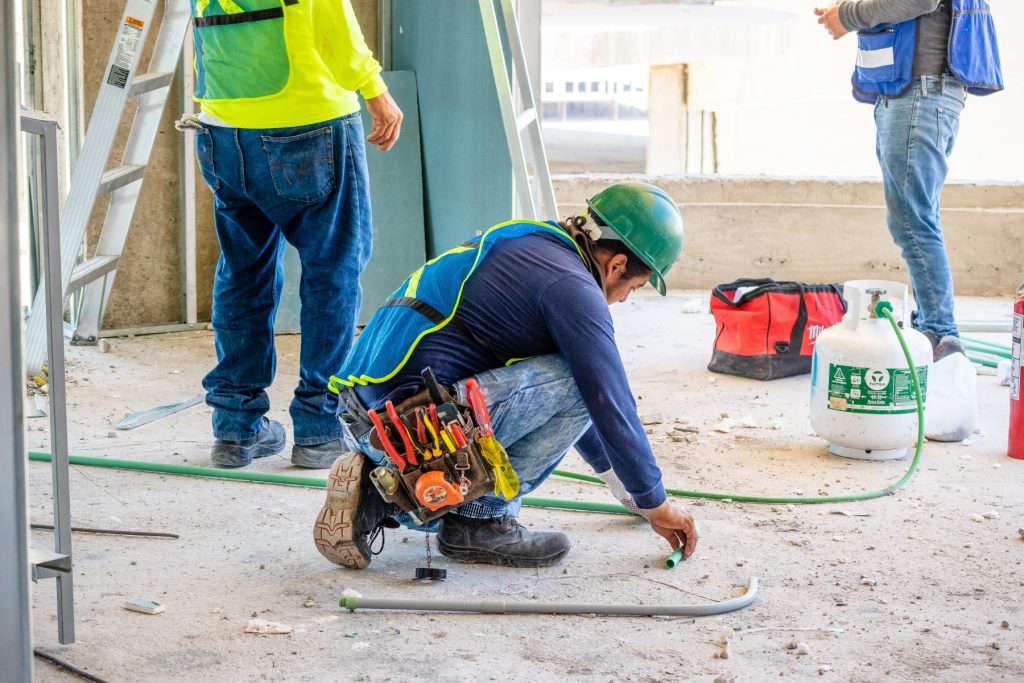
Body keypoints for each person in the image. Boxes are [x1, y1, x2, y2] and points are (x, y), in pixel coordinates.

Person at [312, 181, 698, 569]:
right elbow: (605, 400)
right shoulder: (572, 287)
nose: (625, 298)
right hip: (412, 431)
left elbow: (564, 410)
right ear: (616, 265)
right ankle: (479, 520)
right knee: (581, 380)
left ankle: (377, 493)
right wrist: (657, 504)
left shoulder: (530, 242)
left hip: (364, 423)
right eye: (634, 287)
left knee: (572, 377)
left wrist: (634, 494)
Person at [184, 0, 402, 468]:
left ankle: (236, 428)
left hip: (222, 130)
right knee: (333, 272)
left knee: (243, 274)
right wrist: (375, 90)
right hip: (308, 125)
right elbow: (331, 20)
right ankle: (320, 429)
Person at [814, 0, 1003, 360]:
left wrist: (848, 16)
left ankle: (941, 334)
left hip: (920, 94)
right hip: (914, 92)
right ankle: (932, 327)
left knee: (914, 220)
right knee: (913, 219)